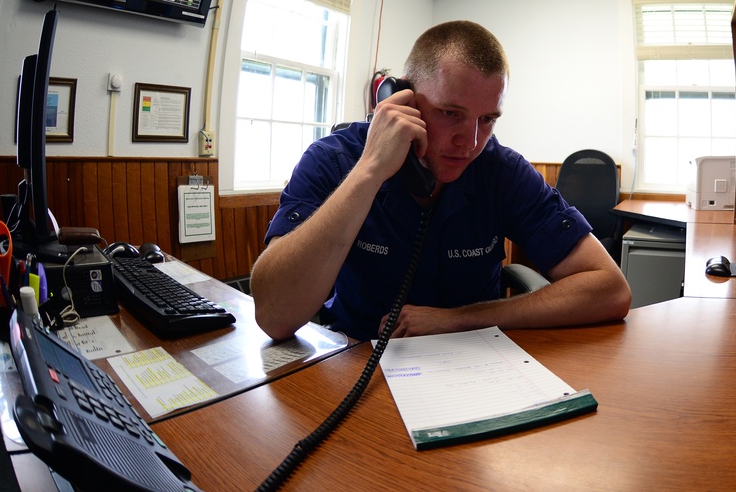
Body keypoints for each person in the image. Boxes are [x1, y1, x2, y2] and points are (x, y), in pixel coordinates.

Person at [251, 20, 631, 341]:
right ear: (403, 99)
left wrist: (455, 320)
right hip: (355, 355)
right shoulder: (333, 159)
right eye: (451, 113)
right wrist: (369, 171)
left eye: (488, 119)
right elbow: (274, 316)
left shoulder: (503, 171)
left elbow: (609, 289)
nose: (471, 142)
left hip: (471, 358)